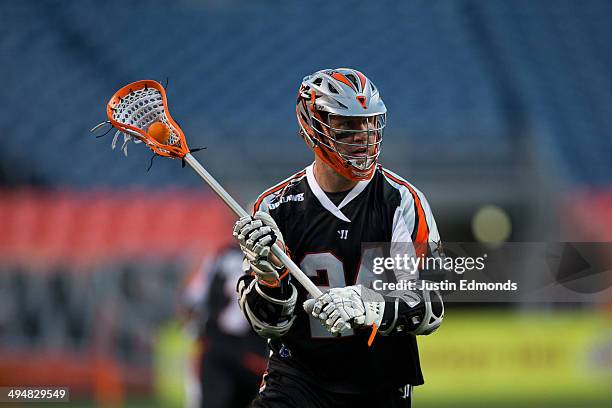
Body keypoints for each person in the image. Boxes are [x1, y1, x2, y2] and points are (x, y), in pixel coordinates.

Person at [233, 68, 444, 408]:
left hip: (381, 380)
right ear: (312, 128)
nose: (363, 136)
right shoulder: (274, 208)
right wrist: (270, 279)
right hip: (299, 376)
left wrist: (370, 306)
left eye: (370, 123)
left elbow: (431, 308)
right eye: (348, 125)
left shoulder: (401, 200)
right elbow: (269, 325)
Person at [180, 245, 267, 408]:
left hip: (218, 349)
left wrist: (195, 333)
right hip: (255, 355)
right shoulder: (276, 256)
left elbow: (191, 300)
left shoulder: (220, 255)